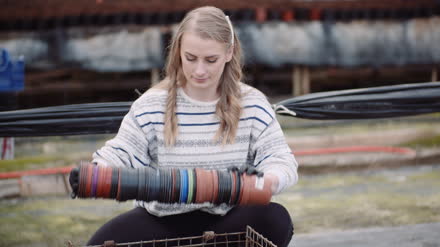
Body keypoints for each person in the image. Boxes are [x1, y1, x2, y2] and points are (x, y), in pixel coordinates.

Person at [69, 6, 298, 247]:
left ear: (229, 53)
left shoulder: (252, 104)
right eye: (190, 58)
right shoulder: (151, 104)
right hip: (162, 222)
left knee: (275, 218)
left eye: (211, 60)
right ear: (178, 50)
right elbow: (121, 152)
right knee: (102, 242)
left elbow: (281, 158)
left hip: (226, 221)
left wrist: (267, 180)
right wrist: (95, 174)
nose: (199, 70)